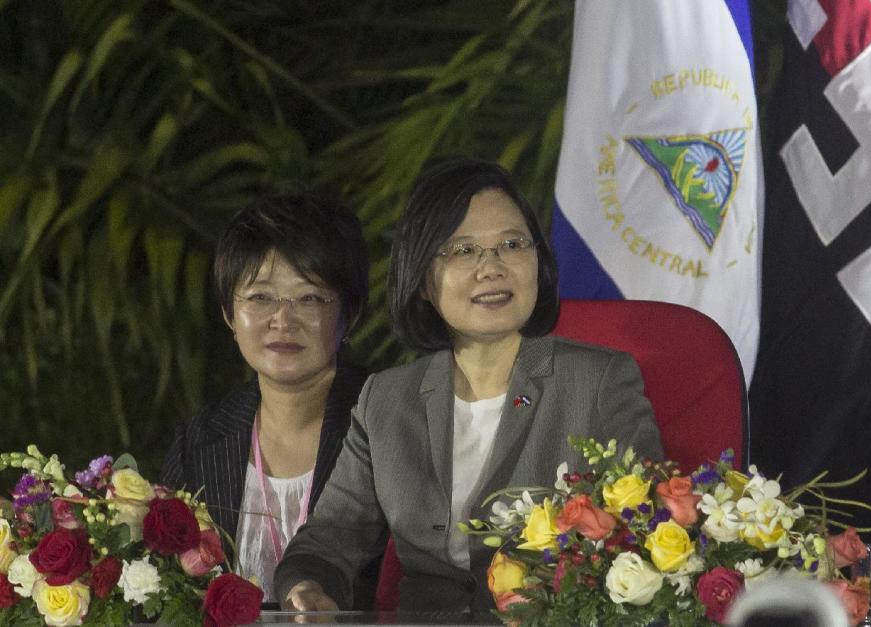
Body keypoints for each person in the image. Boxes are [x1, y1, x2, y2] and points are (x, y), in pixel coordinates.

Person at [274, 158, 663, 615]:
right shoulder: (386, 400)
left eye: (512, 244)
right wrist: (307, 585)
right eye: (462, 251)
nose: (491, 267)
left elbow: (642, 533)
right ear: (421, 280)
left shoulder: (598, 382)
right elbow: (332, 537)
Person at [162, 192, 369, 604]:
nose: (282, 320)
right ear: (228, 313)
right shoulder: (198, 442)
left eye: (309, 297)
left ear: (350, 313)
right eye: (260, 297)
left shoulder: (384, 425)